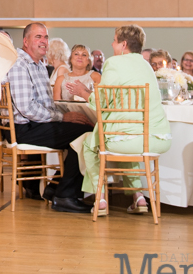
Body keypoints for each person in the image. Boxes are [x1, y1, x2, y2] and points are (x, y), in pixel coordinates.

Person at [71, 25, 170, 216]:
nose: (112, 43)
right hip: (157, 137)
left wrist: (84, 93)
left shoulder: (114, 63)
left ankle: (99, 199)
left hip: (129, 138)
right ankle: (139, 197)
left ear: (123, 44)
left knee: (91, 145)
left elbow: (102, 102)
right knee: (121, 142)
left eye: (114, 40)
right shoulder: (146, 65)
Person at [6, 22, 93, 213]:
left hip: (35, 125)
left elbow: (47, 104)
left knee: (84, 127)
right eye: (38, 37)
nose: (44, 41)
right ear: (26, 41)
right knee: (87, 133)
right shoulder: (20, 64)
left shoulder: (39, 65)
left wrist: (66, 115)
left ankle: (55, 187)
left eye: (45, 37)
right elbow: (26, 108)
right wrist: (62, 118)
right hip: (25, 129)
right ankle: (65, 195)